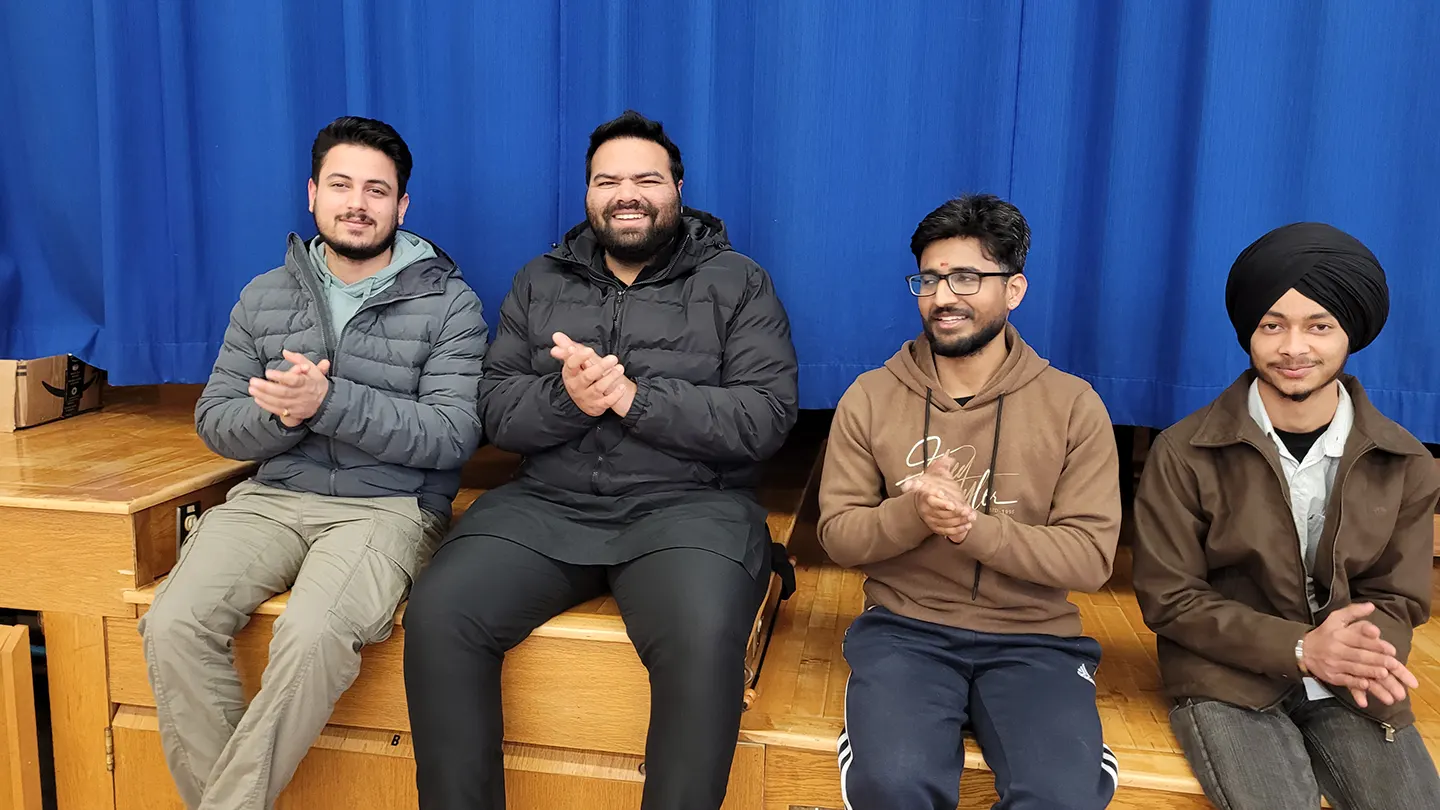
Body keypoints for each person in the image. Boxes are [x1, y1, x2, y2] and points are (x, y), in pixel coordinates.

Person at [402, 110, 799, 810]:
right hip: (547, 505)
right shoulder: (538, 279)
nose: (627, 194)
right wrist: (572, 400)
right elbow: (495, 409)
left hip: (689, 511)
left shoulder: (740, 282)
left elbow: (764, 417)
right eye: (607, 181)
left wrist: (635, 399)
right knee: (441, 613)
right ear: (587, 193)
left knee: (703, 635)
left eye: (647, 179)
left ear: (678, 189)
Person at [138, 116, 487, 810]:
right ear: (312, 194)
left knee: (312, 635)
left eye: (376, 190)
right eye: (341, 185)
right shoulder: (263, 295)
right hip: (272, 498)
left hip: (389, 509)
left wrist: (329, 403)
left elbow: (453, 436)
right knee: (172, 623)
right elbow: (216, 422)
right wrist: (283, 415)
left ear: (402, 206)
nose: (357, 203)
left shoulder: (452, 303)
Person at [818, 194, 1122, 809]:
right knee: (894, 785)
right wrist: (915, 514)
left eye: (966, 278)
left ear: (1014, 290)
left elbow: (1090, 559)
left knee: (1059, 797)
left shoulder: (1074, 405)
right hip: (904, 631)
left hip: (1036, 641)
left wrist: (969, 527)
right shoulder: (870, 397)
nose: (943, 297)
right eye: (929, 279)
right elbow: (838, 536)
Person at [1132, 222, 1440, 809]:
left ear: (1351, 334)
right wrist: (1301, 647)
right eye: (1272, 325)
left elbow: (1398, 598)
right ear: (1249, 332)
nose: (1294, 348)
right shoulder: (1183, 451)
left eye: (1319, 326)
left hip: (1350, 682)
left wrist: (1358, 654)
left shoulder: (1405, 461)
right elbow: (1170, 598)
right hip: (1226, 677)